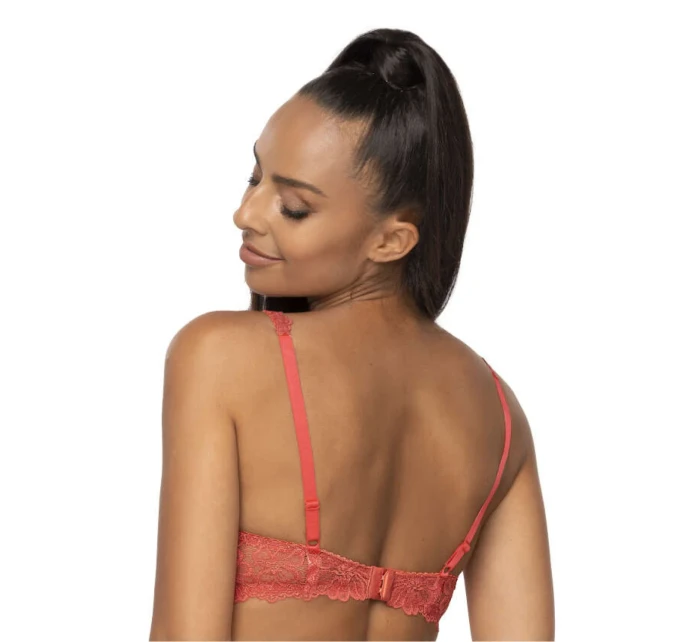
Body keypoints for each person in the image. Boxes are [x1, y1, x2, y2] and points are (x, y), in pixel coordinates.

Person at [150, 27, 554, 641]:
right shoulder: (500, 417)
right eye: (255, 177)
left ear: (392, 240)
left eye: (294, 207)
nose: (245, 213)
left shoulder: (219, 358)